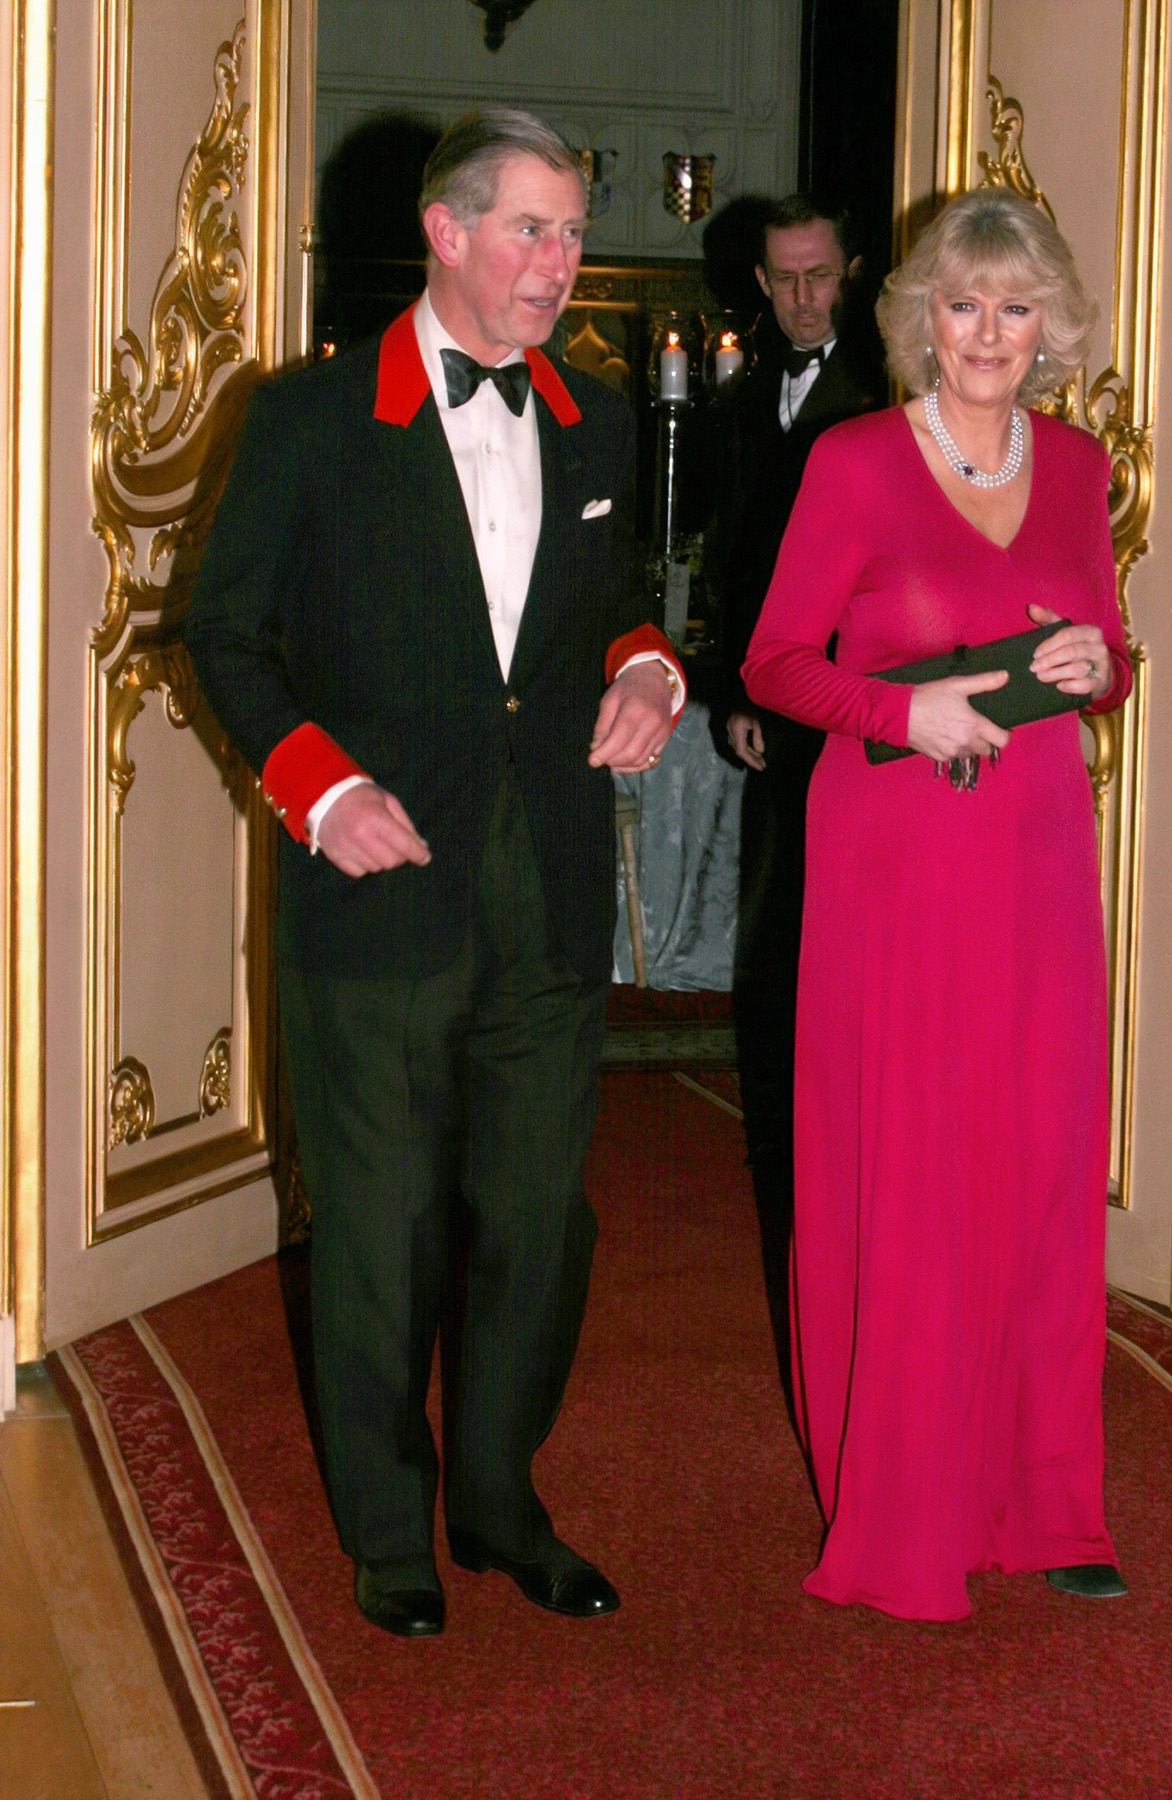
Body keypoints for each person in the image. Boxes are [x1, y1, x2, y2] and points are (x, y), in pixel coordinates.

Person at [187, 109, 683, 1637]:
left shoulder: (595, 418)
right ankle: (389, 1532)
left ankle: (499, 1502)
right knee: (383, 1222)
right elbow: (224, 635)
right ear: (446, 233)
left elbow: (610, 613)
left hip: (540, 882)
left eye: (570, 233)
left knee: (540, 1218)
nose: (559, 263)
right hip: (382, 884)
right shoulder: (313, 419)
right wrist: (314, 785)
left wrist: (651, 671)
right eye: (530, 231)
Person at [742, 187, 1132, 1622]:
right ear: (918, 318)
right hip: (895, 860)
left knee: (1032, 1169)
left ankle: (1047, 1501)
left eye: (1013, 307)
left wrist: (1099, 669)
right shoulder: (849, 462)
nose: (985, 334)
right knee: (908, 1171)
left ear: (1049, 326)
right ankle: (900, 1506)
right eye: (960, 306)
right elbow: (775, 663)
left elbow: (1104, 643)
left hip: (1032, 857)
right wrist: (901, 720)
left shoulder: (1081, 468)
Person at [713, 197, 879, 1241]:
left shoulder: (889, 397)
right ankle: (779, 1137)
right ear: (762, 288)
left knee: (850, 928)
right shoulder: (744, 404)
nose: (804, 299)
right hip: (774, 706)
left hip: (862, 699)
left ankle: (851, 1133)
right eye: (785, 280)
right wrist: (736, 691)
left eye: (820, 276)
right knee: (774, 928)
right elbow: (737, 566)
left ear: (851, 274)